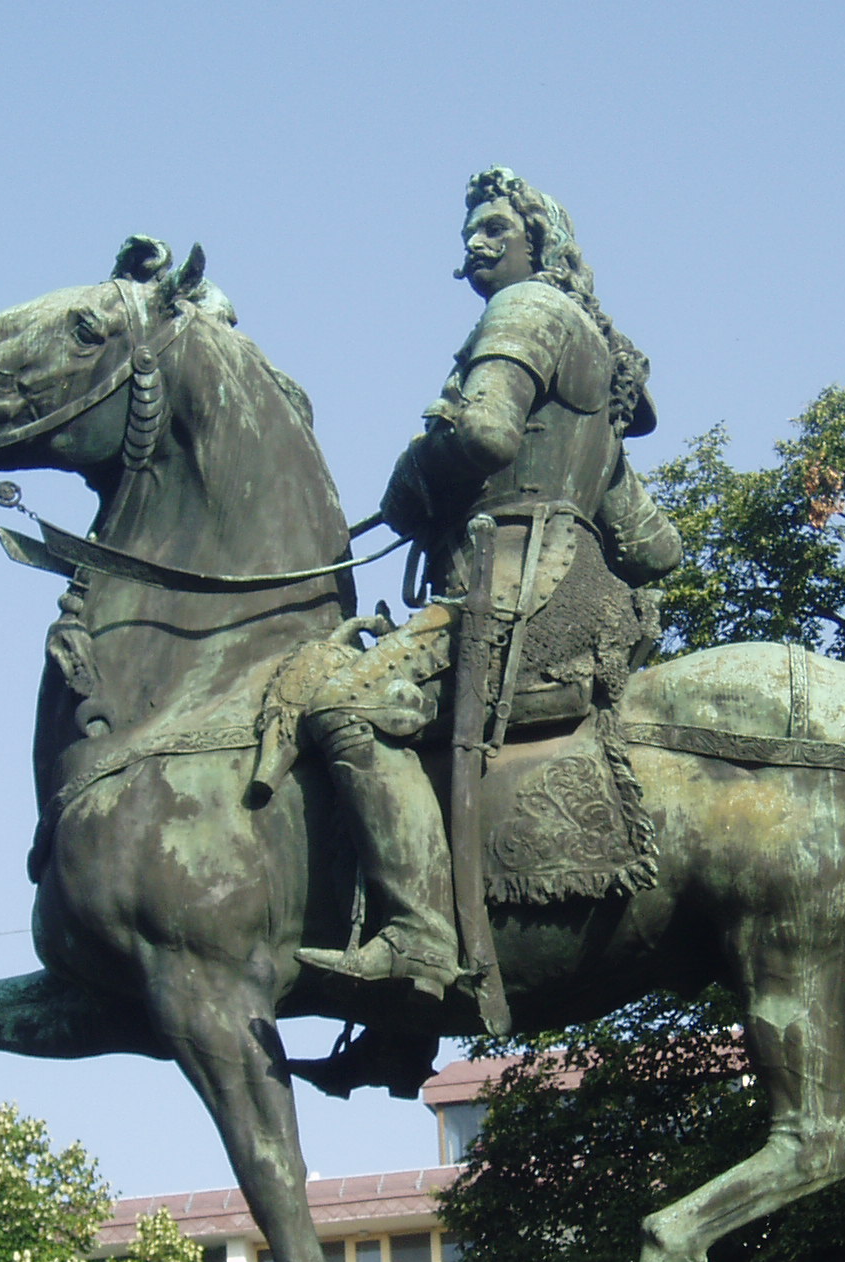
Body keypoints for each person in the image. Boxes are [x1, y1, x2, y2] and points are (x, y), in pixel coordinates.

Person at [292, 167, 682, 1000]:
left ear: (542, 245)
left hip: (511, 593)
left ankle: (420, 939)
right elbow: (655, 547)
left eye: (496, 227)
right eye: (470, 230)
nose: (476, 242)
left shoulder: (524, 311)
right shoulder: (595, 361)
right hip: (585, 601)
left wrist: (414, 477)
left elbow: (487, 434)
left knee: (343, 705)